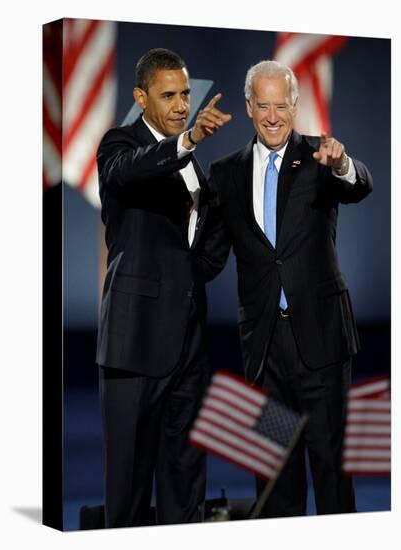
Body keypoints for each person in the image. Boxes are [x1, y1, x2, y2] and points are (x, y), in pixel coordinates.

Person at [207, 59, 373, 517]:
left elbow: (361, 184)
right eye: (264, 105)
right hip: (264, 350)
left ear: (296, 105)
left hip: (320, 342)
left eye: (282, 105)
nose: (274, 116)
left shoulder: (323, 155)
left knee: (331, 471)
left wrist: (342, 165)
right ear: (248, 107)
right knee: (275, 475)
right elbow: (208, 255)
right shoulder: (226, 173)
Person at [96, 48, 231, 527]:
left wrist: (196, 275)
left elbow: (203, 241)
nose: (180, 105)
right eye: (168, 95)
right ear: (141, 97)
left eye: (186, 94)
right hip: (135, 344)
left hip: (189, 344)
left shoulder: (192, 161)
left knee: (185, 480)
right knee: (129, 486)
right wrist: (189, 139)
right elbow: (128, 170)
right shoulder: (119, 145)